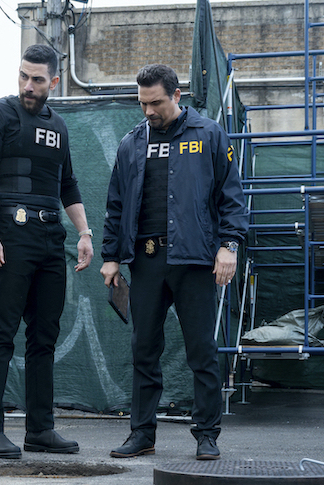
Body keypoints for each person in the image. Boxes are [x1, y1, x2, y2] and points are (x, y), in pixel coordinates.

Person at [100, 64, 248, 461]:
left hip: (194, 260)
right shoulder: (131, 143)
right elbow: (115, 204)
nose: (149, 111)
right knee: (144, 348)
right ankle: (142, 434)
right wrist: (111, 257)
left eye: (156, 103)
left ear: (177, 95)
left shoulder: (209, 134)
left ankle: (207, 435)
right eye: (142, 104)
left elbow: (232, 197)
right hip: (146, 261)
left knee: (202, 350)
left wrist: (229, 246)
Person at [0, 44, 94, 459]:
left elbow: (68, 184)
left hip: (50, 238)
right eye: (23, 76)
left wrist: (84, 233)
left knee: (44, 337)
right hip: (11, 232)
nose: (27, 85)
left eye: (37, 79)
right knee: (0, 332)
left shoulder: (58, 125)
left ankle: (40, 429)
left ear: (54, 82)